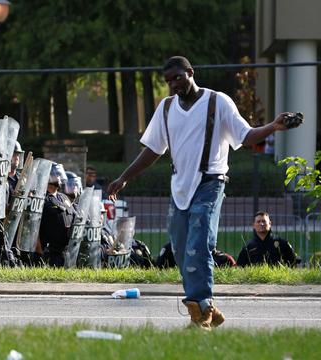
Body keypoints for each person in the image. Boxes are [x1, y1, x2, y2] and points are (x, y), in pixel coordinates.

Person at [107, 56, 300, 330]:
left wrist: (273, 126)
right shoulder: (166, 108)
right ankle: (207, 308)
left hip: (211, 182)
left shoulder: (217, 102)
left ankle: (199, 311)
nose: (173, 84)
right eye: (168, 81)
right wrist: (124, 177)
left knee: (199, 242)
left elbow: (245, 136)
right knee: (180, 247)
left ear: (190, 73)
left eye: (177, 77)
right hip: (180, 186)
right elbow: (152, 150)